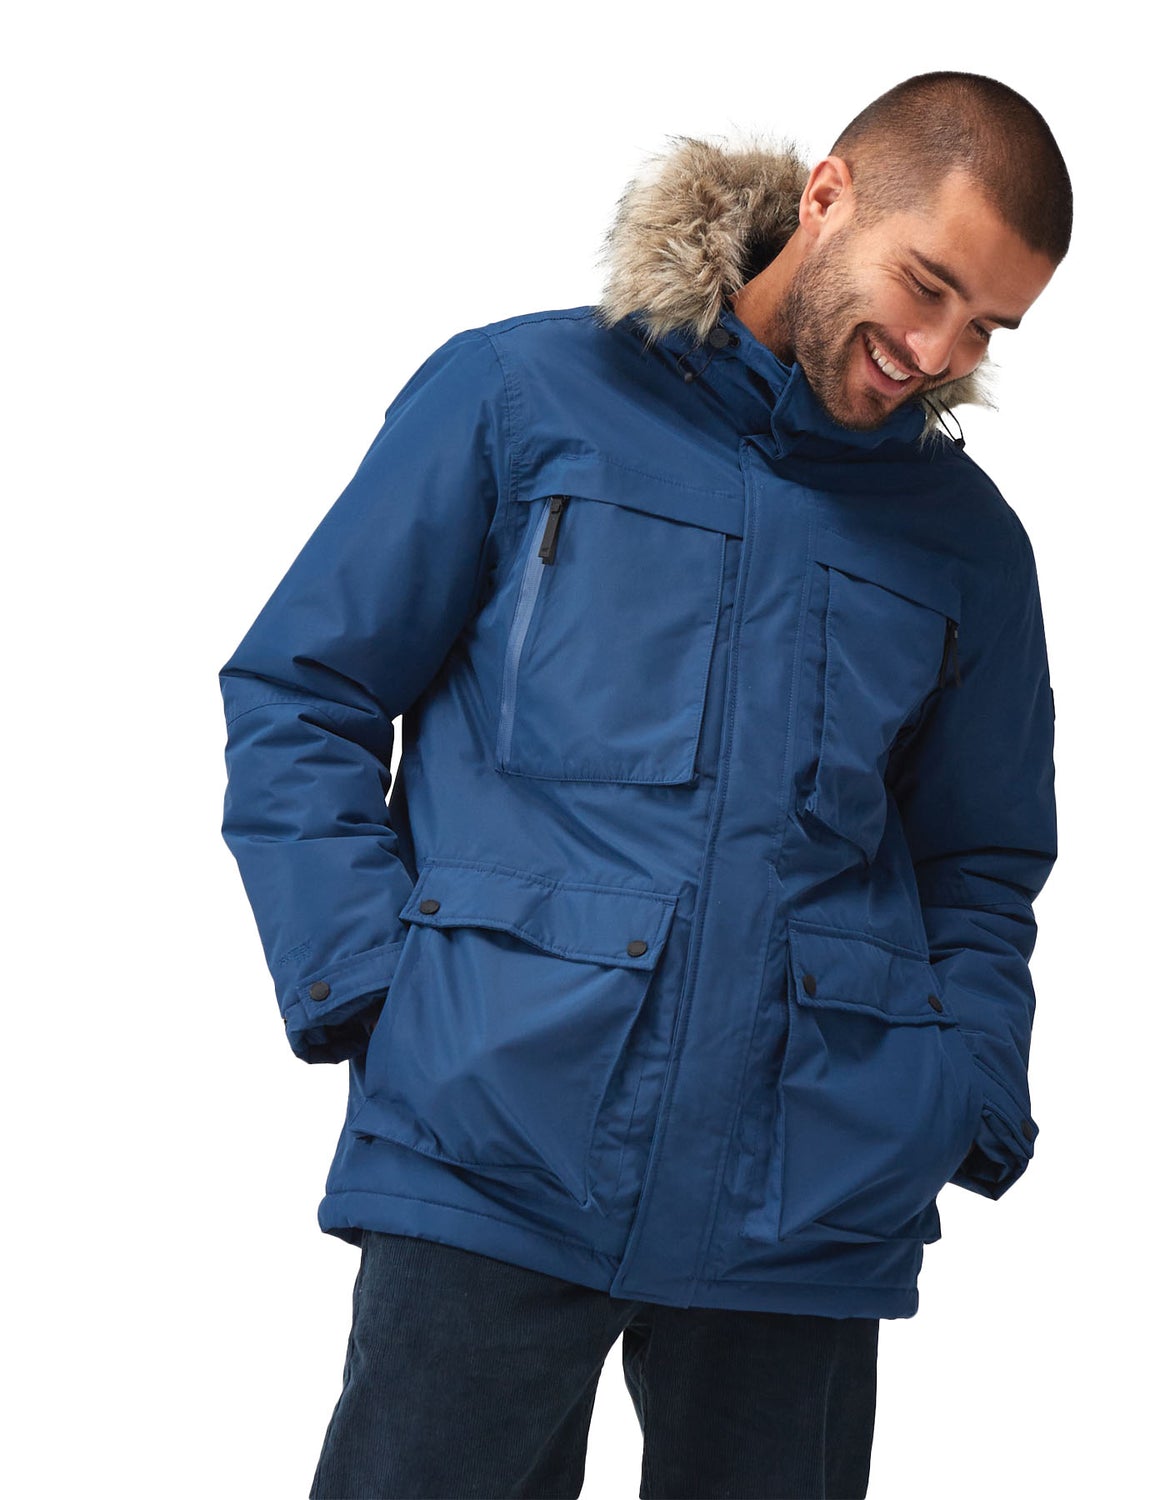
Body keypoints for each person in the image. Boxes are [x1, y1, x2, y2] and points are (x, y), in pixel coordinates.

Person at [219, 68, 1071, 1500]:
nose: (935, 349)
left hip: (809, 1200)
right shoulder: (523, 398)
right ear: (828, 196)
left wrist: (960, 1091)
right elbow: (304, 693)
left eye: (985, 324)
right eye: (927, 285)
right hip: (491, 1150)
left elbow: (978, 863)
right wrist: (376, 991)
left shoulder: (967, 543)